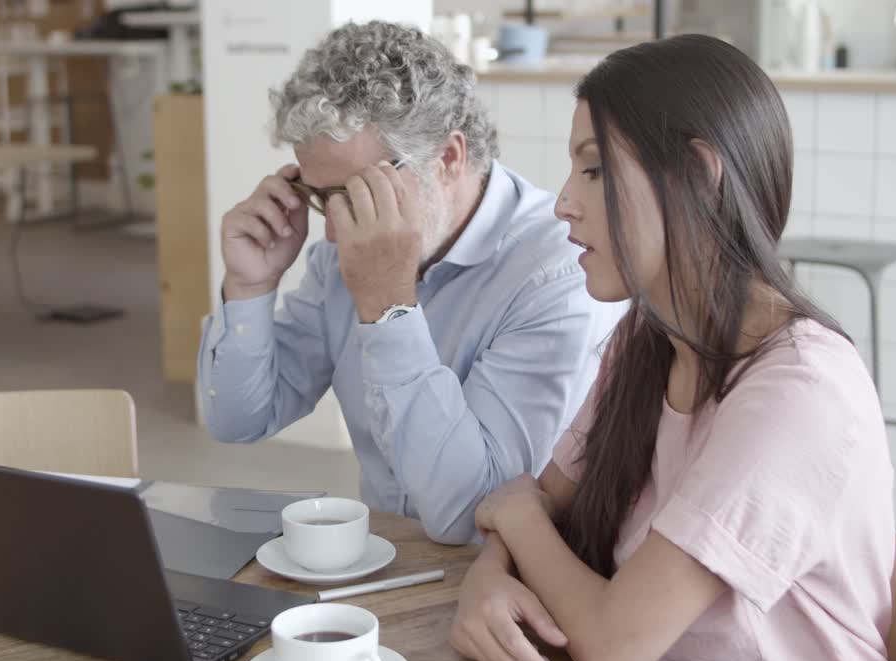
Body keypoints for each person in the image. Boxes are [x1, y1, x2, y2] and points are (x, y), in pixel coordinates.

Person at [449, 35, 896, 661]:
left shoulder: (798, 393)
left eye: (594, 172)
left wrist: (515, 517)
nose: (564, 203)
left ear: (697, 172)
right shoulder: (648, 339)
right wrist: (486, 579)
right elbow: (542, 501)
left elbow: (609, 641)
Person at [198, 21, 624, 545]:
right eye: (319, 195)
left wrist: (388, 306)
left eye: (357, 193)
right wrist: (249, 286)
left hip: (506, 584)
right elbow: (239, 420)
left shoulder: (557, 275)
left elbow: (471, 516)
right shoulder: (340, 254)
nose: (332, 229)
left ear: (448, 157)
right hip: (382, 559)